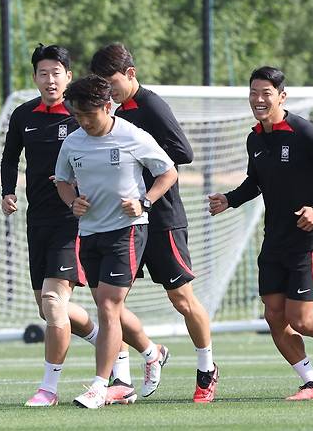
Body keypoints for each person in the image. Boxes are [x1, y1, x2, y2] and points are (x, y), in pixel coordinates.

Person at [208, 66, 313, 400]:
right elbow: (256, 182)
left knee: (301, 318)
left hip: (309, 240)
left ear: (282, 96)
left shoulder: (304, 132)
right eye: (253, 93)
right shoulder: (255, 138)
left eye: (266, 93)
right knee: (274, 317)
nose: (258, 99)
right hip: (274, 240)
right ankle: (312, 382)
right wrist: (230, 199)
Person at [90, 43, 218, 403]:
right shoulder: (111, 113)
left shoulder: (150, 105)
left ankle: (206, 368)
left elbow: (183, 153)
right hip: (122, 222)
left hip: (161, 218)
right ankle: (137, 363)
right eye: (101, 84)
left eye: (111, 82)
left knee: (181, 298)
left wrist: (140, 166)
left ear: (130, 74)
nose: (107, 91)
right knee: (108, 302)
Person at [54, 75, 178, 409]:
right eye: (77, 115)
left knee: (107, 306)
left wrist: (145, 202)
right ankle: (153, 353)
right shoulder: (73, 141)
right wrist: (72, 202)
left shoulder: (132, 136)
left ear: (108, 106)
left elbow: (168, 172)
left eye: (88, 115)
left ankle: (101, 385)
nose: (82, 121)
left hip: (128, 230)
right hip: (90, 232)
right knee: (114, 310)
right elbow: (63, 181)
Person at [0, 44, 107, 407]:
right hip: (38, 221)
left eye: (56, 72)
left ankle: (48, 388)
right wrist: (7, 192)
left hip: (73, 219)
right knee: (47, 309)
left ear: (68, 76)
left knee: (53, 302)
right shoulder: (23, 114)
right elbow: (10, 156)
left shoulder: (80, 116)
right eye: (43, 73)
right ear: (35, 78)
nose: (50, 79)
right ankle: (111, 340)